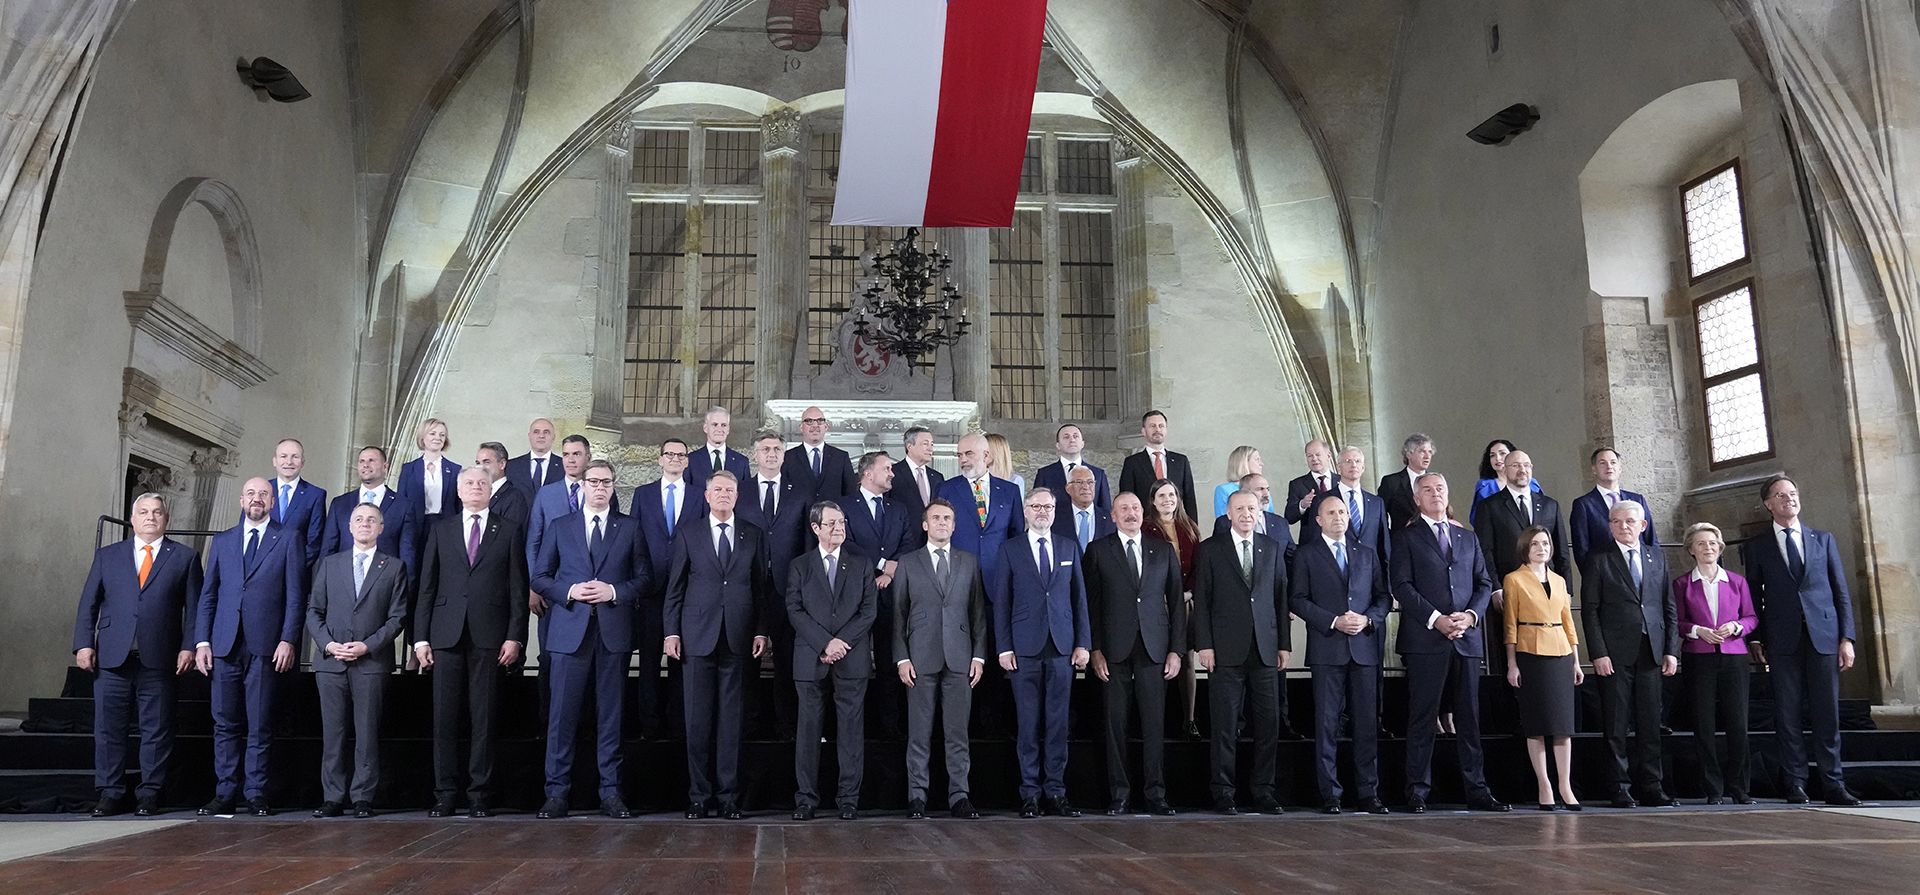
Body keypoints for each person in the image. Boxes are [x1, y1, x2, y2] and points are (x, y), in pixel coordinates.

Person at [73, 493, 202, 817]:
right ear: (132, 519)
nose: (150, 517)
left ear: (166, 519)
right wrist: (84, 643)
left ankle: (149, 793)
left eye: (157, 512)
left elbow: (195, 610)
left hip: (160, 657)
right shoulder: (108, 556)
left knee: (157, 730)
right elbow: (88, 602)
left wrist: (189, 646)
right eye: (143, 512)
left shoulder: (185, 557)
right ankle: (110, 793)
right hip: (113, 657)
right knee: (108, 729)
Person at [530, 459, 644, 819]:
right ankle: (557, 793)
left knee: (610, 717)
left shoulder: (629, 528)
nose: (599, 487)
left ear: (613, 487)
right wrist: (571, 590)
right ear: (581, 487)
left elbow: (645, 578)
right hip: (569, 634)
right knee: (561, 717)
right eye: (593, 481)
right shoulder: (561, 527)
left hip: (612, 634)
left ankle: (610, 792)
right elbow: (540, 577)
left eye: (606, 482)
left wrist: (613, 590)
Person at [413, 468, 529, 819]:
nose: (476, 487)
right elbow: (427, 588)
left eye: (482, 483)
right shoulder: (441, 529)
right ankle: (445, 794)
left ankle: (479, 794)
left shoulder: (508, 530)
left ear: (490, 489)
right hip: (446, 634)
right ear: (459, 490)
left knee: (484, 718)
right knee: (444, 719)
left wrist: (515, 636)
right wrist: (420, 638)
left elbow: (517, 591)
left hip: (490, 636)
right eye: (470, 483)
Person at [1740, 476, 1861, 806]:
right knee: (1788, 713)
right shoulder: (1757, 546)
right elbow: (1752, 596)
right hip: (1782, 639)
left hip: (1824, 636)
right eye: (1780, 495)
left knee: (1827, 714)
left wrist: (1846, 637)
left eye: (1793, 493)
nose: (1788, 499)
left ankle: (1833, 783)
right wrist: (1755, 639)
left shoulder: (1823, 539)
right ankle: (1795, 782)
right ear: (1768, 504)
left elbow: (1840, 592)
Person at [1392, 472, 1508, 813]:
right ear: (1417, 499)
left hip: (1466, 638)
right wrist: (1436, 619)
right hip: (1426, 640)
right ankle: (1416, 790)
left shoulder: (1467, 538)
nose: (1434, 494)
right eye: (1426, 490)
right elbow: (1401, 585)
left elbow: (1484, 583)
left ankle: (1477, 788)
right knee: (1422, 717)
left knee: (1470, 718)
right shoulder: (1405, 538)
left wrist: (1471, 616)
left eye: (1440, 488)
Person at [193, 477, 307, 816]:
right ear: (242, 500)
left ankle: (255, 792)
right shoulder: (223, 540)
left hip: (266, 645)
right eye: (251, 494)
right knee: (224, 723)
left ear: (273, 501)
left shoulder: (288, 539)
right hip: (224, 644)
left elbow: (295, 596)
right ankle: (225, 792)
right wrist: (202, 640)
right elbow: (208, 594)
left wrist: (288, 638)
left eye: (263, 494)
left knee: (259, 724)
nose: (257, 499)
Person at [663, 471, 772, 820]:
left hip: (739, 638)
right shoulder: (688, 532)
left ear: (738, 496)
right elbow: (675, 588)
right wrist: (671, 632)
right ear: (707, 496)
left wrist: (761, 631)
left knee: (732, 723)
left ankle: (727, 797)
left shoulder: (752, 534)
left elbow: (761, 589)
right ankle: (699, 795)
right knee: (696, 721)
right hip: (696, 637)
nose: (724, 494)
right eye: (718, 490)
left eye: (730, 490)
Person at [990, 486, 1091, 818]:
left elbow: (1079, 600)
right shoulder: (1010, 549)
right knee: (1029, 724)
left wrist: (1083, 643)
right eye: (1035, 506)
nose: (1042, 512)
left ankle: (1056, 791)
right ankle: (1030, 793)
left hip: (1062, 647)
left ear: (1054, 510)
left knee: (1058, 724)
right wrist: (1003, 646)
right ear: (1026, 511)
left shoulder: (1068, 546)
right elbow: (1002, 603)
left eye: (1047, 506)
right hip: (1024, 648)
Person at [306, 502, 410, 819]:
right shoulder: (329, 564)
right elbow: (314, 612)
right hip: (331, 662)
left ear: (381, 528)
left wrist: (367, 646)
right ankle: (333, 797)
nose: (364, 524)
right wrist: (328, 645)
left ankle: (363, 796)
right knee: (333, 733)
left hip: (371, 663)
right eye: (358, 519)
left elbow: (397, 617)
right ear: (349, 527)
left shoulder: (393, 567)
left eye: (371, 520)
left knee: (366, 733)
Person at [1085, 491, 1184, 816]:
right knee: (1115, 726)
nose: (1130, 513)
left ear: (1145, 513)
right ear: (1112, 516)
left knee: (1155, 725)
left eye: (1135, 508)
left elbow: (1177, 605)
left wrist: (1176, 651)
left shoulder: (1163, 550)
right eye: (1123, 509)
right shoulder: (1098, 550)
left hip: (1155, 649)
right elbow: (1092, 606)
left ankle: (1156, 794)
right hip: (1112, 651)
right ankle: (1120, 794)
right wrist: (1095, 649)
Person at [1191, 490, 1290, 815]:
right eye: (1240, 509)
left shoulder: (1272, 548)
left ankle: (1264, 790)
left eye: (1252, 508)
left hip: (1264, 650)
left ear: (1260, 512)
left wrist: (1283, 645)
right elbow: (1202, 602)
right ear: (1228, 514)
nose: (1247, 513)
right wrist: (1203, 644)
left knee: (1268, 725)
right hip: (1224, 651)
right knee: (1224, 725)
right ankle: (1223, 792)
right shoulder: (1210, 549)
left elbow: (1280, 599)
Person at [1291, 492, 1390, 815]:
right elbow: (1299, 599)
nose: (1338, 518)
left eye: (1343, 512)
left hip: (1363, 649)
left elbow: (1382, 598)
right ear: (1318, 520)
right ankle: (1330, 793)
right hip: (1327, 648)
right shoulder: (1306, 555)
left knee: (1365, 724)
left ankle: (1368, 792)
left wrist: (1367, 620)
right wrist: (1333, 621)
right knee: (1327, 724)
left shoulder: (1366, 553)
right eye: (1331, 513)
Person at [892, 499, 988, 820]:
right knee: (919, 733)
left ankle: (959, 796)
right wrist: (901, 658)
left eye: (947, 518)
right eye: (936, 518)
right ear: (925, 524)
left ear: (954, 524)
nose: (942, 523)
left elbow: (977, 613)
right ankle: (916, 796)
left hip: (961, 658)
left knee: (957, 733)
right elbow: (897, 615)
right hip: (919, 659)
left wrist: (979, 655)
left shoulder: (969, 561)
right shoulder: (908, 562)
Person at [1581, 501, 1679, 808]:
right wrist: (1598, 652)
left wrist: (1671, 651)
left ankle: (1652, 785)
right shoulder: (1599, 559)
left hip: (1652, 650)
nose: (1623, 526)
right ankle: (1620, 786)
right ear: (1609, 526)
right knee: (1616, 723)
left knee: (1651, 722)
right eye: (1616, 522)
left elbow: (1669, 608)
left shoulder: (1657, 557)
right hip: (1615, 652)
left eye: (1629, 522)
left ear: (1643, 525)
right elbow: (1590, 611)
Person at [787, 502, 878, 821]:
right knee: (808, 730)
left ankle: (849, 799)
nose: (839, 527)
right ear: (815, 528)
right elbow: (795, 610)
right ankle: (806, 799)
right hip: (811, 657)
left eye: (842, 522)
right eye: (831, 523)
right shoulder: (800, 565)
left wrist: (842, 643)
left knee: (851, 731)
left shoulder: (862, 564)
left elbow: (869, 611)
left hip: (851, 658)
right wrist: (826, 642)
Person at [1674, 522, 1757, 805]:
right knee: (1703, 723)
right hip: (1699, 657)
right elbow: (1678, 622)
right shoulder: (1682, 584)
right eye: (1701, 544)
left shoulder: (1737, 581)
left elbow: (1751, 618)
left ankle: (1739, 787)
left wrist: (1736, 627)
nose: (1707, 548)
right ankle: (1713, 788)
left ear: (1720, 548)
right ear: (1691, 550)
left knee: (1738, 722)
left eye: (1712, 543)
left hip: (1734, 656)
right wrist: (1698, 631)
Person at [1501, 525, 1583, 811]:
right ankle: (1544, 784)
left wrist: (1575, 659)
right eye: (1535, 544)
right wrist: (1511, 664)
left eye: (1546, 544)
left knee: (1563, 726)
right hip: (1531, 651)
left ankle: (1565, 785)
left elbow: (1569, 621)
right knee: (1537, 724)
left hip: (1560, 650)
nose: (1542, 548)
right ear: (1526, 547)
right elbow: (1510, 625)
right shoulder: (1514, 579)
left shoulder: (1560, 580)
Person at [631, 437, 706, 739]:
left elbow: (703, 541)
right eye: (669, 454)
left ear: (687, 461)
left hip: (687, 592)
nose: (675, 458)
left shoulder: (700, 496)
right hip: (650, 591)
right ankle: (648, 728)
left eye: (681, 454)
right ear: (659, 459)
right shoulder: (643, 494)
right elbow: (635, 540)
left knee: (681, 663)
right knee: (648, 662)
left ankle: (678, 726)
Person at [837, 450, 912, 738]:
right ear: (868, 473)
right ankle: (855, 730)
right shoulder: (844, 506)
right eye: (887, 468)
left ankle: (888, 730)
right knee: (852, 667)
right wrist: (881, 565)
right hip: (853, 598)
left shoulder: (899, 509)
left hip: (890, 597)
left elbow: (907, 545)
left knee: (888, 663)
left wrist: (891, 573)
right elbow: (846, 543)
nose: (892, 473)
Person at [740, 431, 809, 740]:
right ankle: (749, 726)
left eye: (777, 449)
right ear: (756, 455)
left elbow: (808, 545)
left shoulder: (801, 492)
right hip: (747, 585)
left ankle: (787, 728)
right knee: (746, 661)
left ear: (784, 454)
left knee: (786, 660)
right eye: (765, 449)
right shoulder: (740, 491)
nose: (771, 453)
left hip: (787, 588)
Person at [1474, 450, 1569, 675]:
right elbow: (1485, 552)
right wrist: (1495, 588)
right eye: (1516, 465)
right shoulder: (1490, 506)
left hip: (1548, 593)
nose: (1522, 469)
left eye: (1526, 465)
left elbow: (1562, 550)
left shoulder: (1549, 505)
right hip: (1507, 594)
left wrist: (1567, 591)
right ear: (1505, 470)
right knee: (1508, 660)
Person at [1143, 478, 1203, 739]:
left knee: (1186, 658)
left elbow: (1199, 566)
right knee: (1157, 659)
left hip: (1186, 603)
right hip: (1156, 604)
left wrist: (1188, 592)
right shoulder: (1145, 528)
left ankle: (1189, 720)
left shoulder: (1189, 527)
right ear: (1153, 501)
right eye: (1162, 496)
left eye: (1172, 495)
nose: (1168, 500)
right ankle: (1158, 721)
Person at [937, 433, 1025, 583]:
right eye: (959, 455)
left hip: (999, 575)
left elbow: (1016, 534)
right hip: (958, 577)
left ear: (986, 455)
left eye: (969, 453)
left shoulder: (1010, 491)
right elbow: (938, 534)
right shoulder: (946, 489)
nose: (963, 459)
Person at [321, 446, 418, 573]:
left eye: (371, 460)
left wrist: (406, 588)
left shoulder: (403, 506)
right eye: (362, 461)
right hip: (344, 580)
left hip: (386, 581)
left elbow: (408, 553)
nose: (365, 465)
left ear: (385, 467)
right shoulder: (340, 504)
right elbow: (328, 549)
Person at [1568, 447, 1658, 578]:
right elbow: (1581, 548)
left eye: (1613, 462)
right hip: (1606, 576)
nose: (1609, 466)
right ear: (1594, 469)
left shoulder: (1637, 499)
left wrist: (1653, 571)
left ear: (1620, 468)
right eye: (1602, 463)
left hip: (1641, 572)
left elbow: (1651, 539)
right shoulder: (1583, 504)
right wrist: (1593, 579)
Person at [396, 417, 462, 554]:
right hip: (416, 526)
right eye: (432, 433)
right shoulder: (409, 469)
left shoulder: (455, 469)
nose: (437, 438)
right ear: (423, 437)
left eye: (442, 435)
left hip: (445, 525)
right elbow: (401, 502)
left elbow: (459, 504)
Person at [1119, 409, 1197, 519]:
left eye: (1161, 426)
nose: (1157, 429)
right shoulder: (1132, 463)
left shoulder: (1181, 461)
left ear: (1166, 430)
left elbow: (1190, 499)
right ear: (1143, 431)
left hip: (1176, 524)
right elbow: (1127, 498)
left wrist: (1193, 530)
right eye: (1152, 426)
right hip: (1146, 525)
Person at [269, 438, 327, 568]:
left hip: (295, 573)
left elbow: (315, 540)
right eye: (283, 456)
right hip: (260, 574)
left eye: (295, 457)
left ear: (302, 462)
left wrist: (293, 568)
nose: (289, 462)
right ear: (275, 461)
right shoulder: (261, 490)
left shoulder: (315, 495)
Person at [1031, 423, 1112, 517]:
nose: (1072, 440)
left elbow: (1105, 509)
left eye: (1075, 436)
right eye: (1066, 437)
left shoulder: (1098, 474)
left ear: (1082, 443)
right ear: (1058, 445)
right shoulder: (1045, 474)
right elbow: (1037, 507)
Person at [783, 405, 858, 502]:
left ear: (826, 427)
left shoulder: (841, 458)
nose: (815, 426)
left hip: (832, 516)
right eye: (809, 421)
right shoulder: (788, 457)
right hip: (799, 517)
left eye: (820, 421)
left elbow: (850, 495)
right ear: (801, 427)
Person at [889, 426, 945, 551]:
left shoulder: (937, 477)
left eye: (932, 444)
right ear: (909, 446)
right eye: (925, 444)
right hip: (903, 545)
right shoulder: (893, 473)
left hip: (932, 544)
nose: (930, 448)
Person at [1467, 439, 1541, 525]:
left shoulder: (1532, 484)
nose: (1497, 458)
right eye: (1492, 455)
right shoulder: (1485, 486)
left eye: (1502, 453)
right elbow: (1477, 518)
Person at [1376, 433, 1435, 533]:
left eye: (1429, 452)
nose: (1427, 456)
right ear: (1409, 454)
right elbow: (1379, 515)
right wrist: (1389, 539)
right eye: (1422, 451)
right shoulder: (1391, 482)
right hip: (1402, 543)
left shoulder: (1436, 482)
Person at [686, 405, 752, 491]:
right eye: (715, 424)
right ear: (705, 428)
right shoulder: (691, 460)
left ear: (728, 429)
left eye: (723, 425)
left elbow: (746, 494)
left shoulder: (742, 462)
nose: (719, 429)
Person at [1053, 464, 1116, 552]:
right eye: (1079, 482)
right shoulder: (1055, 518)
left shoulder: (1110, 519)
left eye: (1090, 482)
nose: (1085, 487)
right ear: (1068, 488)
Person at [1283, 438, 1337, 531]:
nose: (1314, 459)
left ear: (1329, 456)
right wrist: (1302, 505)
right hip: (1311, 541)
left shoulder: (1341, 481)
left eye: (1318, 455)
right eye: (1310, 456)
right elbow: (1289, 517)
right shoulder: (1297, 484)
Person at [475, 441, 529, 530]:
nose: (481, 467)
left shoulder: (514, 497)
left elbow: (509, 535)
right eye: (478, 463)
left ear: (502, 464)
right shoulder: (473, 493)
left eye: (486, 462)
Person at [507, 417, 565, 498]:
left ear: (553, 437)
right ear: (529, 436)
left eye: (546, 432)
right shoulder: (511, 466)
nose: (541, 436)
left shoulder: (565, 465)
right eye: (536, 432)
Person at [1211, 444, 1263, 518]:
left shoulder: (1263, 488)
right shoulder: (1224, 490)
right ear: (1244, 462)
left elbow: (1270, 518)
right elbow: (1223, 520)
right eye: (1257, 459)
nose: (1261, 464)